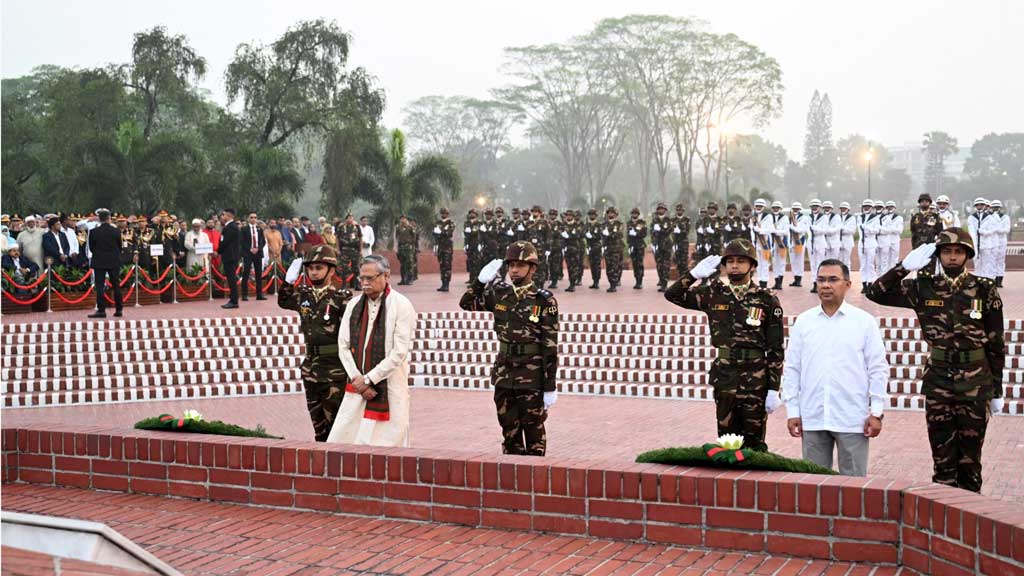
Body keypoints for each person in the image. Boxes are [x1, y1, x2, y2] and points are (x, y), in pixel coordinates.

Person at [866, 229, 1004, 492]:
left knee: (971, 462)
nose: (952, 257)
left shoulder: (984, 288)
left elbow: (996, 342)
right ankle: (945, 511)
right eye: (947, 251)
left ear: (968, 255)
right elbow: (875, 292)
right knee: (942, 461)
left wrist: (996, 390)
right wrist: (903, 267)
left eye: (958, 252)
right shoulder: (924, 286)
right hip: (939, 382)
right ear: (938, 255)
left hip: (975, 382)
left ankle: (970, 510)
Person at [665, 239, 784, 451]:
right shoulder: (713, 293)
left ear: (752, 266)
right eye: (730, 261)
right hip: (725, 376)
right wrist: (693, 275)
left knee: (754, 444)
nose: (734, 266)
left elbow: (775, 348)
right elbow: (672, 295)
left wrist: (774, 388)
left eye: (741, 261)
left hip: (755, 378)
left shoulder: (766, 299)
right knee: (728, 441)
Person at [783, 259, 889, 476]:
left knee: (854, 485)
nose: (826, 285)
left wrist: (877, 412)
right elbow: (792, 368)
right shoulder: (804, 322)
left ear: (848, 284)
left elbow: (878, 368)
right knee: (814, 485)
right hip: (813, 416)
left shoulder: (863, 322)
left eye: (833, 280)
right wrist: (792, 410)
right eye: (821, 280)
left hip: (852, 418)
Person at [460, 241, 559, 456]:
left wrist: (549, 386)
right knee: (509, 432)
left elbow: (550, 345)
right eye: (511, 265)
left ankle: (534, 476)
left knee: (534, 434)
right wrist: (479, 282)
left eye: (520, 265)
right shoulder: (499, 294)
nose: (514, 270)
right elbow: (466, 303)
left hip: (531, 375)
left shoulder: (544, 300)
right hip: (504, 373)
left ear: (532, 268)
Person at [329, 255, 416, 447]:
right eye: (361, 278)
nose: (365, 283)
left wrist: (369, 379)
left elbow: (399, 352)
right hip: (357, 387)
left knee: (387, 446)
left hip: (389, 386)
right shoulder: (353, 305)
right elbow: (343, 345)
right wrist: (358, 380)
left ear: (386, 276)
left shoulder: (401, 305)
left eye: (370, 278)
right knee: (345, 441)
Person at [279, 246, 354, 441]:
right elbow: (284, 301)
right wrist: (288, 282)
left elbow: (351, 335)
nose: (313, 272)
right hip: (310, 369)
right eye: (310, 268)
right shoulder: (303, 295)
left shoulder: (342, 298)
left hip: (333, 370)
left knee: (336, 426)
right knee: (318, 426)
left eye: (319, 268)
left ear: (331, 270)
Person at [87, 209, 124, 318]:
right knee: (116, 285)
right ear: (109, 218)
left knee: (99, 285)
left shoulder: (94, 232)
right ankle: (119, 309)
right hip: (113, 260)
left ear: (99, 219)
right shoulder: (116, 231)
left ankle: (101, 310)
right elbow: (119, 246)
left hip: (99, 260)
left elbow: (91, 247)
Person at [239, 212, 266, 301]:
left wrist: (258, 248)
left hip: (258, 253)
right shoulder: (244, 229)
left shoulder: (259, 229)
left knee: (258, 274)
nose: (253, 219)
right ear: (248, 219)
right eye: (251, 217)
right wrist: (249, 249)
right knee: (246, 273)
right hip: (248, 253)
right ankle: (244, 294)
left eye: (255, 217)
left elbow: (263, 241)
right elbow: (242, 241)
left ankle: (259, 294)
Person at [218, 208, 241, 309]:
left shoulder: (231, 227)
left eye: (224, 215)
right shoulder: (230, 227)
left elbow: (225, 242)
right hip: (230, 256)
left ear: (229, 215)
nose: (222, 217)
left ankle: (234, 301)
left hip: (230, 256)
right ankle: (233, 299)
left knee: (231, 279)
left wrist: (218, 251)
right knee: (231, 278)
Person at [857, 199, 881, 292]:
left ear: (871, 208)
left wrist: (867, 229)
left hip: (871, 242)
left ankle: (870, 283)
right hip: (862, 243)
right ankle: (864, 284)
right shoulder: (860, 217)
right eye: (865, 206)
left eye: (868, 206)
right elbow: (859, 229)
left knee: (870, 264)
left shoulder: (875, 218)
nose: (866, 208)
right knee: (863, 265)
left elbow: (877, 230)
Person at [751, 199, 774, 288]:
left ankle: (764, 282)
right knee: (758, 264)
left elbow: (770, 229)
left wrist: (760, 230)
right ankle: (760, 281)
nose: (758, 207)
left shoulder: (768, 216)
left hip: (765, 243)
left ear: (763, 207)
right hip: (756, 244)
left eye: (760, 206)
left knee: (765, 264)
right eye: (757, 206)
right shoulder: (753, 217)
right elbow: (751, 230)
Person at [968, 198, 993, 279]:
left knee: (986, 264)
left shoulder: (989, 217)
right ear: (975, 206)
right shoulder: (971, 217)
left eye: (981, 205)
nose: (979, 206)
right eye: (978, 205)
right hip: (976, 244)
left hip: (986, 243)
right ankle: (978, 280)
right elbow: (971, 231)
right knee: (977, 264)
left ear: (984, 206)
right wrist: (974, 242)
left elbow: (991, 230)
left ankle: (987, 280)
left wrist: (983, 232)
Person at [651, 203, 673, 292]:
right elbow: (652, 232)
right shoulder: (654, 220)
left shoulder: (668, 220)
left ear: (665, 210)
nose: (661, 210)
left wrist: (660, 229)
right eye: (659, 209)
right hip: (658, 245)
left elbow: (668, 230)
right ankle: (661, 281)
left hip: (666, 245)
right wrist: (653, 243)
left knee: (666, 265)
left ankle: (665, 284)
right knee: (659, 264)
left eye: (662, 209)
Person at [526, 206, 550, 290]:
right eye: (533, 211)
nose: (535, 213)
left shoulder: (544, 222)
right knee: (531, 267)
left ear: (540, 213)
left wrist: (548, 248)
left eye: (537, 212)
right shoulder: (529, 223)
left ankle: (541, 284)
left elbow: (548, 236)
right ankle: (533, 284)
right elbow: (526, 235)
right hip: (530, 249)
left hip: (541, 249)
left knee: (541, 268)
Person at [432, 207, 455, 292]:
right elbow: (434, 234)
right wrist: (435, 245)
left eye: (445, 213)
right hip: (440, 246)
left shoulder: (451, 223)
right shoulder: (438, 222)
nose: (443, 214)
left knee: (447, 266)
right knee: (442, 265)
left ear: (447, 214)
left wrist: (441, 232)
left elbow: (449, 233)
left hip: (447, 247)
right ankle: (443, 283)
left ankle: (447, 284)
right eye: (442, 213)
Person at [562, 210, 584, 292]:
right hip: (567, 249)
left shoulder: (577, 225)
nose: (568, 217)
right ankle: (571, 283)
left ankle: (573, 284)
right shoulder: (564, 225)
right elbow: (560, 235)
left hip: (575, 249)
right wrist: (562, 246)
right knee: (569, 267)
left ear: (573, 217)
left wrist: (569, 236)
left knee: (574, 267)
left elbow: (578, 235)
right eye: (567, 215)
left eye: (570, 215)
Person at [788, 202, 809, 288]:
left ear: (800, 209)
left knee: (799, 261)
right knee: (793, 261)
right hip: (791, 242)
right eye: (794, 208)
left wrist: (791, 227)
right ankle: (795, 278)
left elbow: (801, 230)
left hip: (799, 241)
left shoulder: (804, 218)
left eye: (797, 208)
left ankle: (799, 279)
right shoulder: (790, 218)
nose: (795, 210)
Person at [988, 200, 1009, 287]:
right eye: (994, 207)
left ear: (1000, 208)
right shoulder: (989, 217)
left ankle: (999, 279)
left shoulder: (1005, 217)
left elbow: (1007, 229)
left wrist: (997, 230)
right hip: (992, 240)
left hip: (1002, 240)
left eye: (997, 207)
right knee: (992, 261)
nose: (996, 209)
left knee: (1001, 261)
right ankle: (992, 279)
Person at [626, 207, 647, 290]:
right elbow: (628, 235)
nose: (634, 215)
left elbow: (644, 233)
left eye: (636, 213)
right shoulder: (629, 223)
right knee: (634, 264)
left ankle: (640, 281)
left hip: (640, 246)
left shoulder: (642, 222)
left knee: (639, 264)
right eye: (633, 213)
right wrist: (629, 245)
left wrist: (636, 234)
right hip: (632, 245)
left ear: (638, 214)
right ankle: (636, 280)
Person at [395, 215, 417, 286]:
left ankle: (410, 279)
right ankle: (403, 279)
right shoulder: (398, 228)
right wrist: (397, 249)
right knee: (402, 264)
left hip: (408, 248)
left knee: (409, 264)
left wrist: (412, 247)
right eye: (401, 219)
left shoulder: (410, 227)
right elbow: (397, 238)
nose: (402, 220)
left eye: (404, 219)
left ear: (406, 219)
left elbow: (414, 238)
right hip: (401, 248)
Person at [585, 208, 604, 289]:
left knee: (597, 265)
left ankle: (597, 281)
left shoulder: (599, 225)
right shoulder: (587, 225)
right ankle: (594, 280)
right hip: (590, 247)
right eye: (590, 215)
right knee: (592, 265)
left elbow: (600, 235)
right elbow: (583, 233)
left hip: (597, 247)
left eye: (593, 215)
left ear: (596, 216)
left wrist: (592, 236)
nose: (592, 216)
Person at [835, 202, 856, 270]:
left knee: (846, 260)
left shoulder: (852, 218)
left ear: (848, 209)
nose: (843, 209)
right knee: (839, 259)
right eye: (842, 208)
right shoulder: (837, 217)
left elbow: (852, 230)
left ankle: (847, 273)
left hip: (848, 240)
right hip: (838, 240)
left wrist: (842, 229)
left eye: (844, 208)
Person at [671, 204, 691, 277]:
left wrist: (680, 231)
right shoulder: (673, 220)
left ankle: (685, 276)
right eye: (678, 210)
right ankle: (680, 276)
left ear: (683, 211)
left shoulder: (686, 219)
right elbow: (670, 230)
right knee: (678, 260)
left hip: (683, 243)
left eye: (681, 210)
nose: (679, 211)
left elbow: (687, 231)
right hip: (676, 242)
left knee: (684, 261)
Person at [464, 209, 482, 284]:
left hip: (476, 244)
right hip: (469, 245)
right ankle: (471, 278)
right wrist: (465, 244)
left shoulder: (479, 223)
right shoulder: (467, 223)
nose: (472, 215)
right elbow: (466, 235)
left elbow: (477, 233)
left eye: (473, 213)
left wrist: (480, 244)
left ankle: (476, 280)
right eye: (470, 213)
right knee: (470, 262)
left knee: (476, 263)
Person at [546, 209, 563, 289]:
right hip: (548, 248)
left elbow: (558, 233)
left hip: (556, 248)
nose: (552, 216)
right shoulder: (546, 223)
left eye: (554, 215)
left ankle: (554, 281)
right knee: (549, 264)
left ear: (556, 216)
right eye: (551, 214)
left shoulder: (559, 224)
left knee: (555, 265)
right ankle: (550, 278)